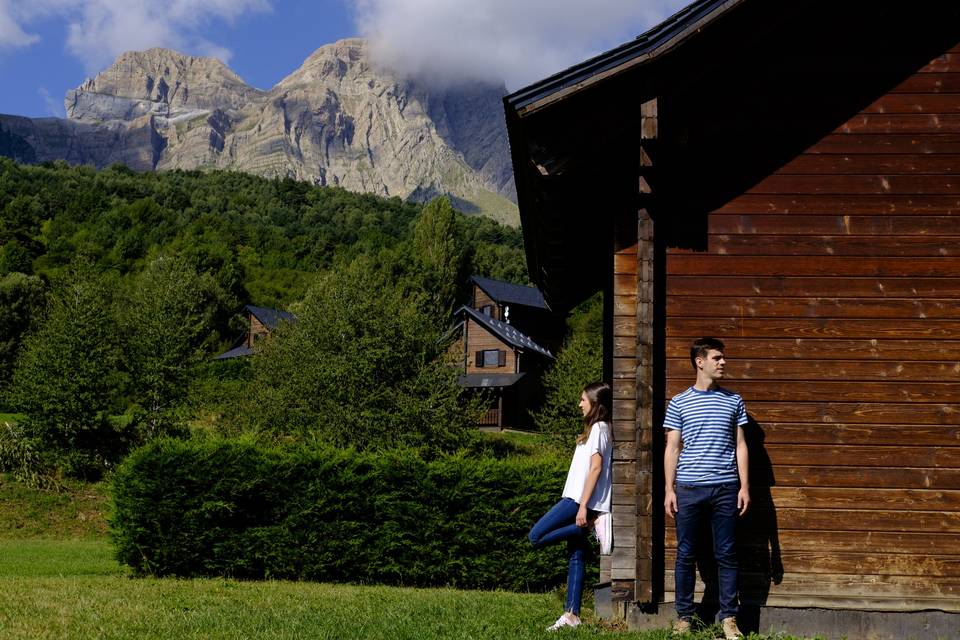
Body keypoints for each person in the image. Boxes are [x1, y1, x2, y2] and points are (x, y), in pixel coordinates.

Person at [664, 337, 750, 639]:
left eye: (723, 357)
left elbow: (741, 445)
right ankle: (684, 618)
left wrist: (745, 487)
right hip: (688, 489)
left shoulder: (734, 400)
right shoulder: (679, 402)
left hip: (725, 488)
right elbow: (672, 448)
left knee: (726, 554)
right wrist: (668, 490)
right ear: (699, 362)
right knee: (685, 554)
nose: (723, 362)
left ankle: (729, 619)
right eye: (717, 358)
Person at [529, 381, 613, 631]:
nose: (579, 404)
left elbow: (596, 469)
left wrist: (583, 507)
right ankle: (572, 615)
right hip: (577, 498)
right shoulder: (599, 428)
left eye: (583, 400)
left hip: (576, 499)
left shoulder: (599, 428)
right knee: (576, 556)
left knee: (535, 536)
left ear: (595, 404)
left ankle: (588, 525)